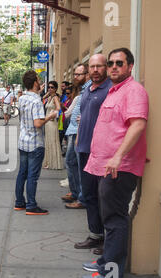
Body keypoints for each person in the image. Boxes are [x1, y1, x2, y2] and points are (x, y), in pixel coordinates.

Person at [81, 48, 148, 278]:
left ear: (130, 66)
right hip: (104, 166)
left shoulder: (134, 90)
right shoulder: (114, 91)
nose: (113, 67)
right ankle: (105, 263)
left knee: (114, 219)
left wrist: (118, 157)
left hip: (119, 168)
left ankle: (112, 274)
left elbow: (138, 125)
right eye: (110, 63)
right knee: (107, 216)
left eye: (119, 63)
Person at [74, 54, 113, 254]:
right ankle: (95, 235)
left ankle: (107, 240)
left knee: (103, 198)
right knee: (88, 195)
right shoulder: (87, 90)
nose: (95, 70)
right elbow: (84, 118)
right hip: (83, 149)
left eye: (99, 66)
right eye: (92, 66)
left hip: (100, 153)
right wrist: (78, 139)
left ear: (105, 67)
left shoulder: (110, 90)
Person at [14, 71, 57, 215]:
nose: (40, 82)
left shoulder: (22, 98)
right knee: (32, 176)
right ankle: (31, 205)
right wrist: (50, 116)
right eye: (38, 80)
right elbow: (38, 123)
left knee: (22, 173)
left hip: (23, 141)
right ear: (34, 83)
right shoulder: (36, 101)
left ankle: (19, 202)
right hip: (35, 143)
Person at [62, 64, 91, 210]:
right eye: (74, 74)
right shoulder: (84, 90)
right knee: (71, 162)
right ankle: (76, 192)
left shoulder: (90, 89)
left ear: (87, 74)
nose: (75, 77)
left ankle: (82, 197)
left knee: (79, 165)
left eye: (78, 74)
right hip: (73, 131)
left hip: (79, 132)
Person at [42, 81, 63, 170]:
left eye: (52, 87)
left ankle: (54, 163)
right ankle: (49, 161)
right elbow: (42, 98)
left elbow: (58, 108)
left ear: (55, 88)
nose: (50, 89)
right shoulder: (50, 97)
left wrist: (52, 114)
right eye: (49, 87)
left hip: (51, 122)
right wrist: (48, 93)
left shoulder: (55, 98)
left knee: (52, 142)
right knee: (48, 142)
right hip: (47, 123)